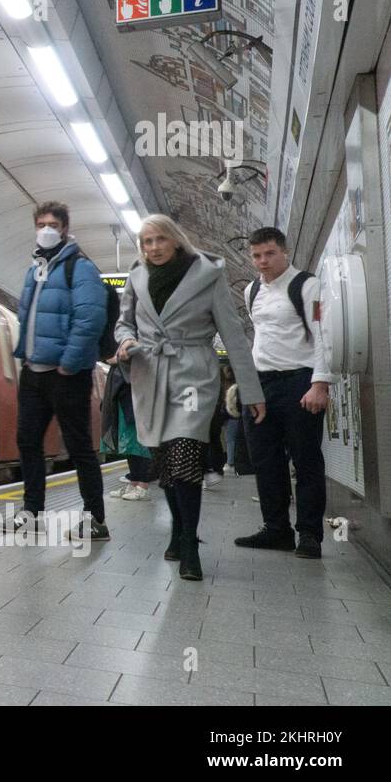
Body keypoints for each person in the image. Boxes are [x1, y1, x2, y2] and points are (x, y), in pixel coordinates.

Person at [115, 215, 265, 580]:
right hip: (149, 375)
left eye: (160, 240)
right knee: (165, 464)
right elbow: (124, 322)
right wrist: (125, 340)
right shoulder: (136, 277)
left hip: (193, 376)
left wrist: (250, 391)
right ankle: (179, 530)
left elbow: (232, 333)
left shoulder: (206, 274)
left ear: (176, 240)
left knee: (184, 455)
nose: (153, 248)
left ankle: (190, 546)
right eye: (147, 241)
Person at [11, 201, 111, 540]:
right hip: (33, 372)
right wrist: (25, 356)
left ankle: (95, 517)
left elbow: (91, 318)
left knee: (79, 445)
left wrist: (69, 363)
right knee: (27, 441)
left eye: (52, 223)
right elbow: (26, 315)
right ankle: (31, 511)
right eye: (41, 223)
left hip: (67, 374)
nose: (46, 229)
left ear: (65, 228)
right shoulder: (33, 269)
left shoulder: (80, 267)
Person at [235, 227, 334, 558]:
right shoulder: (250, 291)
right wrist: (248, 387)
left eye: (269, 254)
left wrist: (320, 383)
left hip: (300, 382)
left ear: (284, 252)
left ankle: (309, 534)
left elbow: (322, 334)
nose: (263, 261)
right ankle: (276, 529)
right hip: (262, 386)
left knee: (306, 460)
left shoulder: (306, 285)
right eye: (257, 256)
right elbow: (260, 339)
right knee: (266, 461)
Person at [101, 355, 153, 500]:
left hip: (137, 387)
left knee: (140, 439)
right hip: (123, 387)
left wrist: (120, 358)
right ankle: (134, 481)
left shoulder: (143, 334)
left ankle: (143, 485)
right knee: (129, 440)